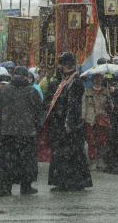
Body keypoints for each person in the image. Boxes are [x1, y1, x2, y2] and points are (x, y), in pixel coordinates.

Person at [46, 53, 92, 191]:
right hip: (62, 123)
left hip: (69, 126)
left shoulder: (75, 81)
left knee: (70, 154)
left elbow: (73, 104)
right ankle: (65, 181)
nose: (59, 67)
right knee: (66, 154)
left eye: (60, 64)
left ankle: (72, 182)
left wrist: (69, 123)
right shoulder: (66, 80)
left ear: (65, 65)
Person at [0, 66, 42, 196]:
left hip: (7, 132)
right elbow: (38, 112)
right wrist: (37, 127)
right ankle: (26, 186)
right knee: (27, 161)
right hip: (27, 133)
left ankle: (5, 188)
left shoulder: (4, 91)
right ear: (26, 77)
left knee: (7, 162)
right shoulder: (32, 92)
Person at [82, 74, 113, 170]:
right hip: (90, 119)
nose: (98, 81)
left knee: (102, 141)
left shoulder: (106, 91)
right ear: (92, 80)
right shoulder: (87, 92)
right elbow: (84, 106)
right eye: (96, 79)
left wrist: (110, 102)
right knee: (91, 141)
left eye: (100, 79)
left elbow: (111, 107)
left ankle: (100, 160)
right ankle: (92, 161)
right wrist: (83, 118)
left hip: (102, 119)